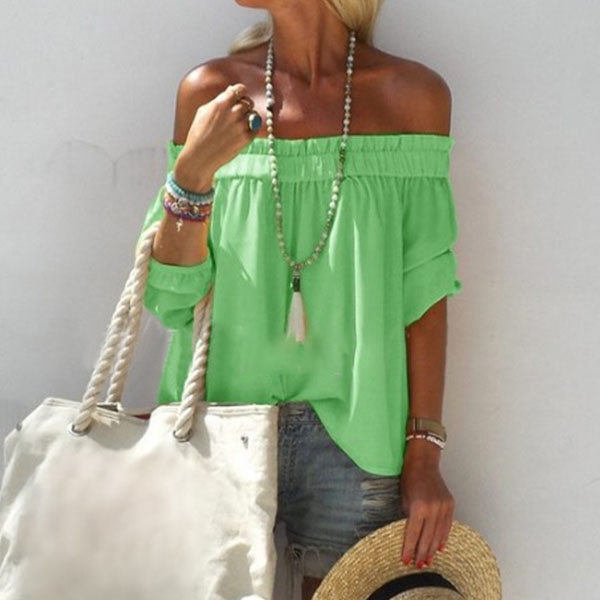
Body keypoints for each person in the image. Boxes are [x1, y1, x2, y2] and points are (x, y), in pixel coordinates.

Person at [140, 1, 463, 598]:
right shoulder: (211, 92)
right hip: (216, 428)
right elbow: (171, 297)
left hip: (358, 437)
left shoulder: (412, 97)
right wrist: (192, 174)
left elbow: (425, 293)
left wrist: (425, 455)